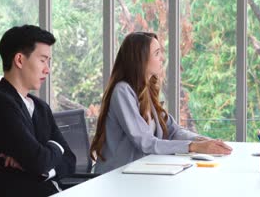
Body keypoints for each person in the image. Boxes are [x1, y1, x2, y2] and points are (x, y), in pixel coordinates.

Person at [90, 32, 232, 173]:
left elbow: (172, 130)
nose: (162, 58)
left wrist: (204, 141)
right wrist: (193, 146)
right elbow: (145, 142)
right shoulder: (122, 91)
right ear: (141, 59)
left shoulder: (146, 91)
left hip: (138, 172)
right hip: (115, 177)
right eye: (157, 53)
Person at [0, 25, 76, 197]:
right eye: (43, 60)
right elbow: (39, 161)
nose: (47, 69)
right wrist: (56, 148)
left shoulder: (40, 107)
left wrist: (45, 170)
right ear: (20, 60)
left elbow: (70, 160)